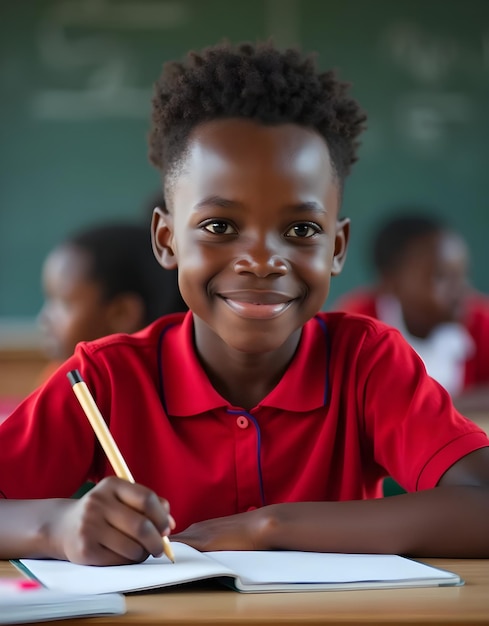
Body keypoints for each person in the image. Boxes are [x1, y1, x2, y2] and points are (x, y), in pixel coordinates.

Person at [0, 42, 488, 566]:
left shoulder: (366, 363)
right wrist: (57, 526)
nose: (261, 260)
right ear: (166, 239)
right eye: (219, 227)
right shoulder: (106, 379)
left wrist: (272, 526)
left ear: (337, 249)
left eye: (301, 229)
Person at [332, 213, 489, 412]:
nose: (461, 290)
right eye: (441, 277)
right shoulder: (357, 326)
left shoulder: (479, 321)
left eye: (462, 275)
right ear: (391, 282)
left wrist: (430, 410)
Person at [38, 221, 187, 367]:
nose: (43, 319)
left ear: (121, 313)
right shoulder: (63, 376)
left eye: (64, 303)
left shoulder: (147, 389)